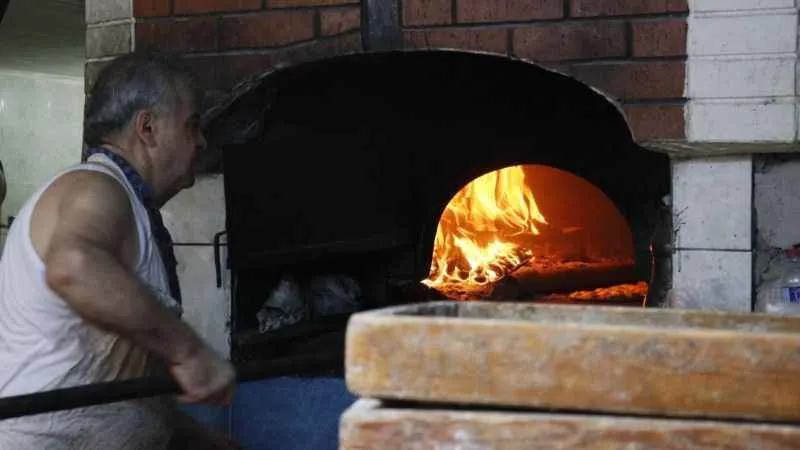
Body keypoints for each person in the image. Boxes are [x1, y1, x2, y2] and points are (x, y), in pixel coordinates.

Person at [0, 53, 238, 449]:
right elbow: (73, 267)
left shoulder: (132, 208)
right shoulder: (95, 187)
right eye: (192, 125)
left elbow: (116, 391)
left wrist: (200, 440)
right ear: (147, 127)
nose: (201, 141)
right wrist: (190, 351)